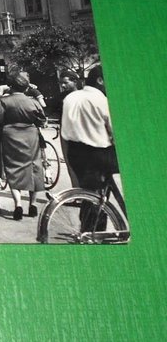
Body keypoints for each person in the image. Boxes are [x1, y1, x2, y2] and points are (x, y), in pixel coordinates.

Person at [61, 65, 121, 230]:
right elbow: (114, 131)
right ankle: (96, 230)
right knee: (99, 196)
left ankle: (88, 229)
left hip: (76, 153)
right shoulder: (101, 99)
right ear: (100, 80)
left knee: (88, 194)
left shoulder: (70, 99)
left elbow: (65, 132)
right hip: (98, 154)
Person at [0, 72, 47, 220]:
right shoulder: (33, 101)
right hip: (31, 136)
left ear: (11, 86)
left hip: (10, 136)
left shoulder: (4, 101)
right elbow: (42, 120)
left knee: (13, 168)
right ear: (25, 88)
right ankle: (33, 205)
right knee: (34, 167)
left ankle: (18, 205)